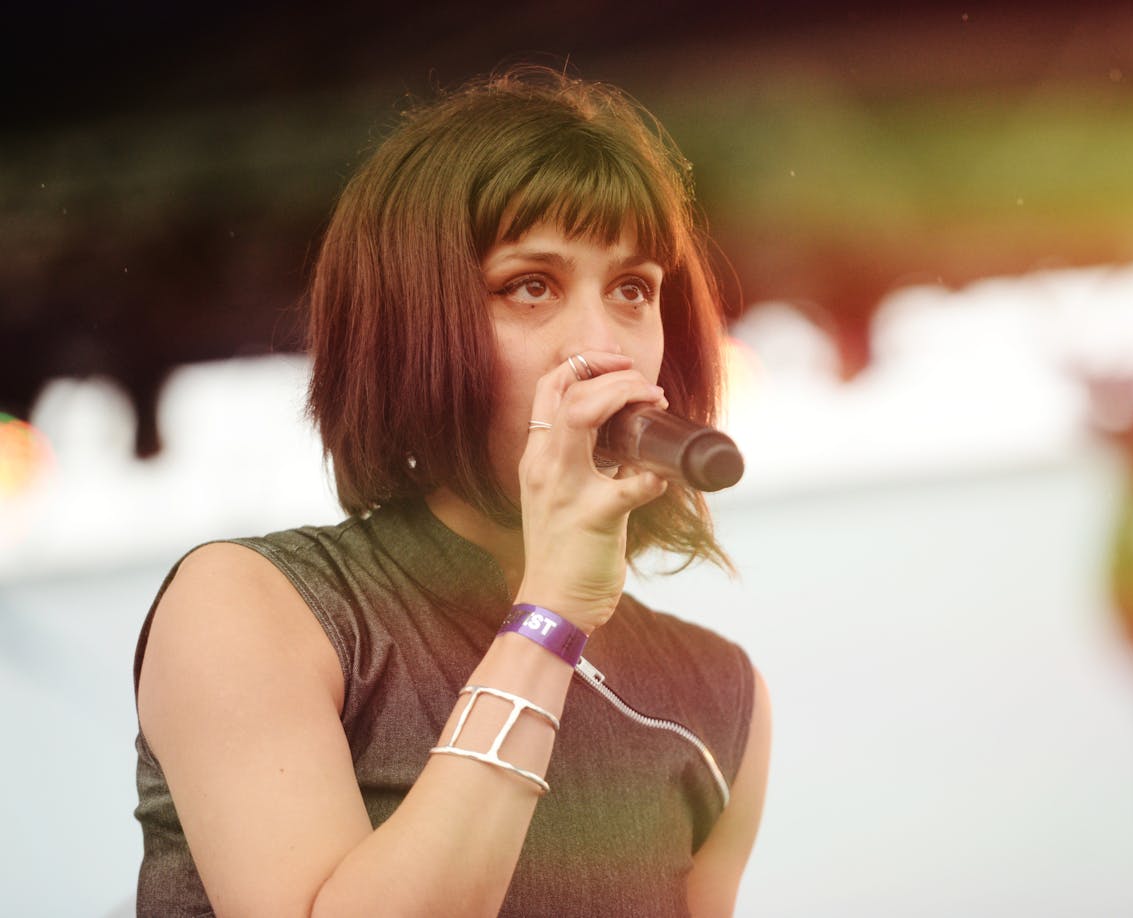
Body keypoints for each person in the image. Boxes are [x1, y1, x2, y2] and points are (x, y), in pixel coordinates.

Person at [132, 66, 771, 916]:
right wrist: (550, 615)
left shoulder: (716, 695)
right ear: (413, 329)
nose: (599, 345)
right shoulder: (255, 608)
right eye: (530, 286)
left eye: (633, 290)